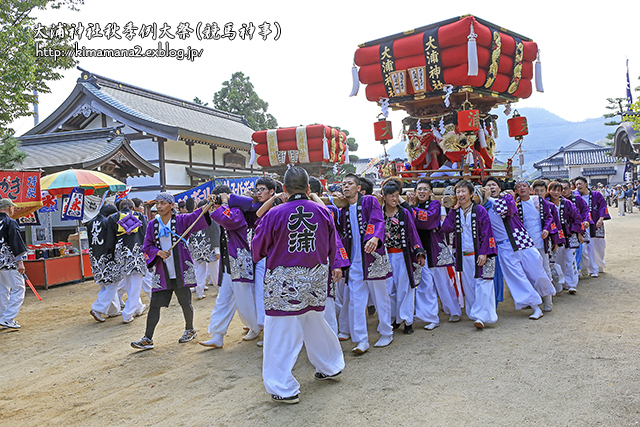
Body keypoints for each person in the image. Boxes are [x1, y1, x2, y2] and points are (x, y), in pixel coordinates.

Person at [252, 166, 345, 404]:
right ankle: (331, 366)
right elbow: (334, 245)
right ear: (307, 188)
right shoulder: (323, 211)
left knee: (281, 333)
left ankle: (283, 388)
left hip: (283, 283)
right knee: (315, 322)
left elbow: (257, 249)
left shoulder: (275, 213)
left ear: (283, 189)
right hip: (314, 279)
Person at [130, 192, 212, 350]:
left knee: (185, 302)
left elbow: (197, 216)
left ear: (171, 205)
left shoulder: (181, 220)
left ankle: (189, 329)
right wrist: (157, 252)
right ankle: (148, 338)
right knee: (154, 304)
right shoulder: (153, 224)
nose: (159, 206)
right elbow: (146, 246)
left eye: (163, 203)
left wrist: (207, 205)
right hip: (163, 271)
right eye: (157, 203)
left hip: (181, 267)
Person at [482, 177, 555, 320]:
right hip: (503, 247)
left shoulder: (508, 199)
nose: (491, 188)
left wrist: (490, 199)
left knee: (537, 271)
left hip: (521, 241)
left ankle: (548, 296)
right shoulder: (484, 208)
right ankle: (535, 307)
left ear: (499, 188)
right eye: (488, 186)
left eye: (493, 185)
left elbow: (506, 210)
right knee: (517, 278)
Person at [337, 173, 393, 354]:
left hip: (373, 258)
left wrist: (375, 237)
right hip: (354, 262)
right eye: (343, 184)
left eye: (349, 184)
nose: (345, 187)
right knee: (355, 301)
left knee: (380, 298)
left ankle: (386, 332)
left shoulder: (369, 201)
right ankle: (361, 340)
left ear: (358, 188)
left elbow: (377, 220)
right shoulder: (343, 210)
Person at [199, 185, 260, 348]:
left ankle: (257, 327)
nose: (216, 203)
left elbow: (229, 220)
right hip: (227, 264)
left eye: (217, 198)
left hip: (239, 261)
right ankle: (217, 335)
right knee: (222, 299)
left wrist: (225, 202)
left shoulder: (237, 211)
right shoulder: (225, 210)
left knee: (245, 300)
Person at [439, 181, 497, 329]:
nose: (460, 194)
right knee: (469, 287)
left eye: (464, 191)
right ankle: (474, 315)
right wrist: (450, 209)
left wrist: (484, 252)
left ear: (471, 194)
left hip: (481, 254)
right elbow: (445, 228)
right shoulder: (456, 212)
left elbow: (487, 233)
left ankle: (482, 317)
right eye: (458, 192)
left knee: (483, 286)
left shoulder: (480, 211)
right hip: (464, 256)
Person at [410, 179, 461, 324]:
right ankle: (429, 316)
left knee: (443, 282)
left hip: (435, 248)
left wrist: (411, 207)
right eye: (419, 189)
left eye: (425, 189)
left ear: (431, 192)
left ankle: (454, 310)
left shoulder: (435, 204)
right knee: (425, 284)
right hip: (420, 249)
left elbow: (429, 220)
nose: (421, 191)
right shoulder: (414, 206)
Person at [381, 181, 425, 335]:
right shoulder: (378, 213)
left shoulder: (403, 213)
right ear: (384, 197)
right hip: (386, 256)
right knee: (389, 289)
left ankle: (407, 320)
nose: (394, 199)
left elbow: (412, 232)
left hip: (402, 255)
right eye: (391, 196)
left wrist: (418, 251)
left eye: (396, 196)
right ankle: (393, 318)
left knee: (405, 288)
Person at [514, 181, 556, 311]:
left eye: (524, 186)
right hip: (525, 242)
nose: (522, 188)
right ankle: (533, 299)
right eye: (518, 187)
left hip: (540, 239)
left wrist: (546, 228)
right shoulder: (516, 205)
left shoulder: (538, 200)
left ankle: (548, 300)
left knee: (544, 268)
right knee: (528, 271)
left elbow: (549, 217)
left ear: (529, 189)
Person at [106, 199, 148, 324]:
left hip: (121, 254)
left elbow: (110, 239)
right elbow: (145, 235)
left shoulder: (113, 218)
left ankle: (138, 307)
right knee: (135, 284)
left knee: (129, 282)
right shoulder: (140, 216)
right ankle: (128, 314)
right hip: (136, 253)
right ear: (133, 207)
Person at [546, 182, 583, 294]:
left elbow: (577, 218)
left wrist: (579, 233)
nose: (556, 193)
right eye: (553, 190)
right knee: (557, 260)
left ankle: (571, 284)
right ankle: (559, 283)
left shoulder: (568, 203)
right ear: (549, 190)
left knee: (570, 260)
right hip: (554, 238)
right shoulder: (545, 204)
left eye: (558, 190)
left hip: (569, 235)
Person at [88, 203, 123, 322]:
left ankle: (113, 310)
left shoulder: (91, 222)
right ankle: (97, 308)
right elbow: (111, 242)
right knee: (113, 283)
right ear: (111, 215)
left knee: (105, 285)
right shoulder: (108, 222)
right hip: (108, 258)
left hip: (95, 258)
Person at [0, 199, 28, 329]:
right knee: (19, 288)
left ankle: (3, 317)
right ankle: (7, 318)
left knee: (3, 290)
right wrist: (20, 262)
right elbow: (15, 242)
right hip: (9, 261)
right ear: (9, 208)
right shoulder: (10, 222)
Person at [575, 176, 610, 277]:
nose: (578, 186)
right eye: (576, 184)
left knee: (599, 246)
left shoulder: (596, 194)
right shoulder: (576, 196)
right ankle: (589, 267)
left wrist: (601, 219)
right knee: (585, 247)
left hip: (596, 223)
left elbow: (603, 206)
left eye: (580, 183)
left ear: (586, 184)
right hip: (584, 225)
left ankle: (599, 265)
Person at [187, 199, 220, 299]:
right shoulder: (211, 219)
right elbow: (215, 234)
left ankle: (199, 292)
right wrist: (217, 250)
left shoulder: (194, 218)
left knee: (199, 271)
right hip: (209, 248)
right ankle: (219, 290)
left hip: (196, 248)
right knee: (215, 272)